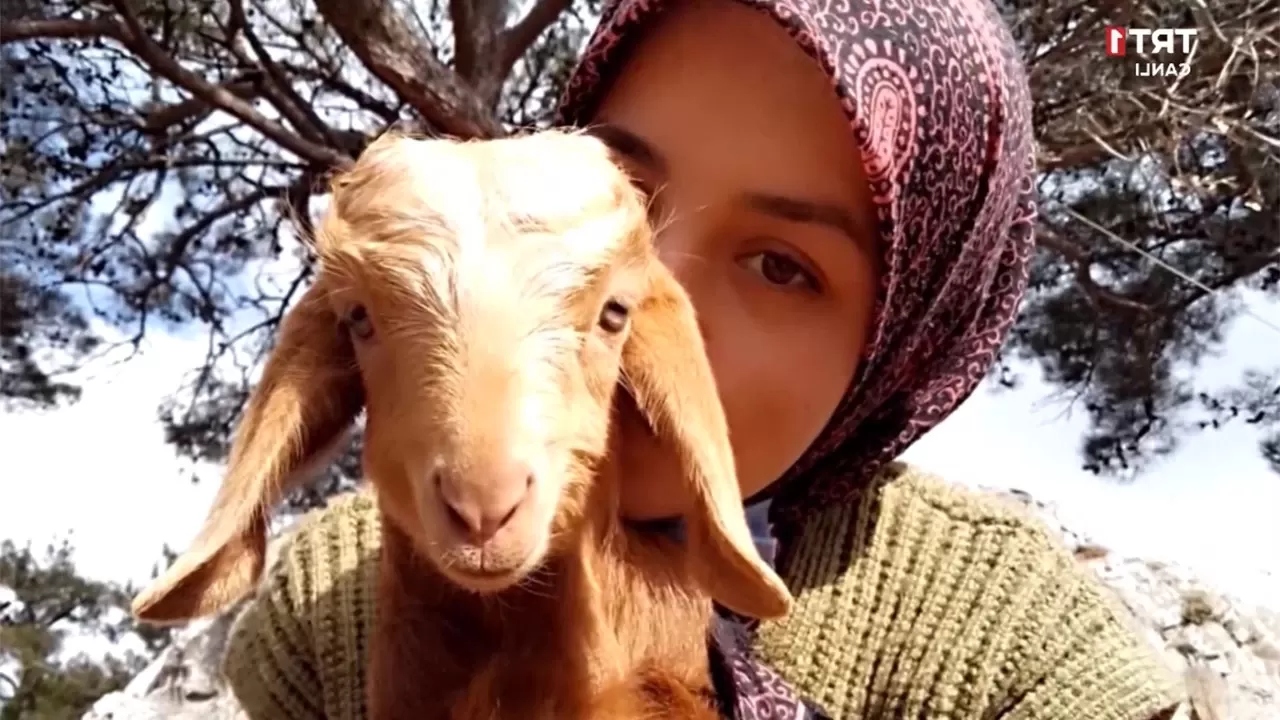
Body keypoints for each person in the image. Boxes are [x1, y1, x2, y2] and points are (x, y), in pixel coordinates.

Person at [220, 1, 1185, 718]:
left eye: (782, 267)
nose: (644, 292)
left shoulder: (1020, 651)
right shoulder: (325, 609)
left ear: (900, 344)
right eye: (629, 195)